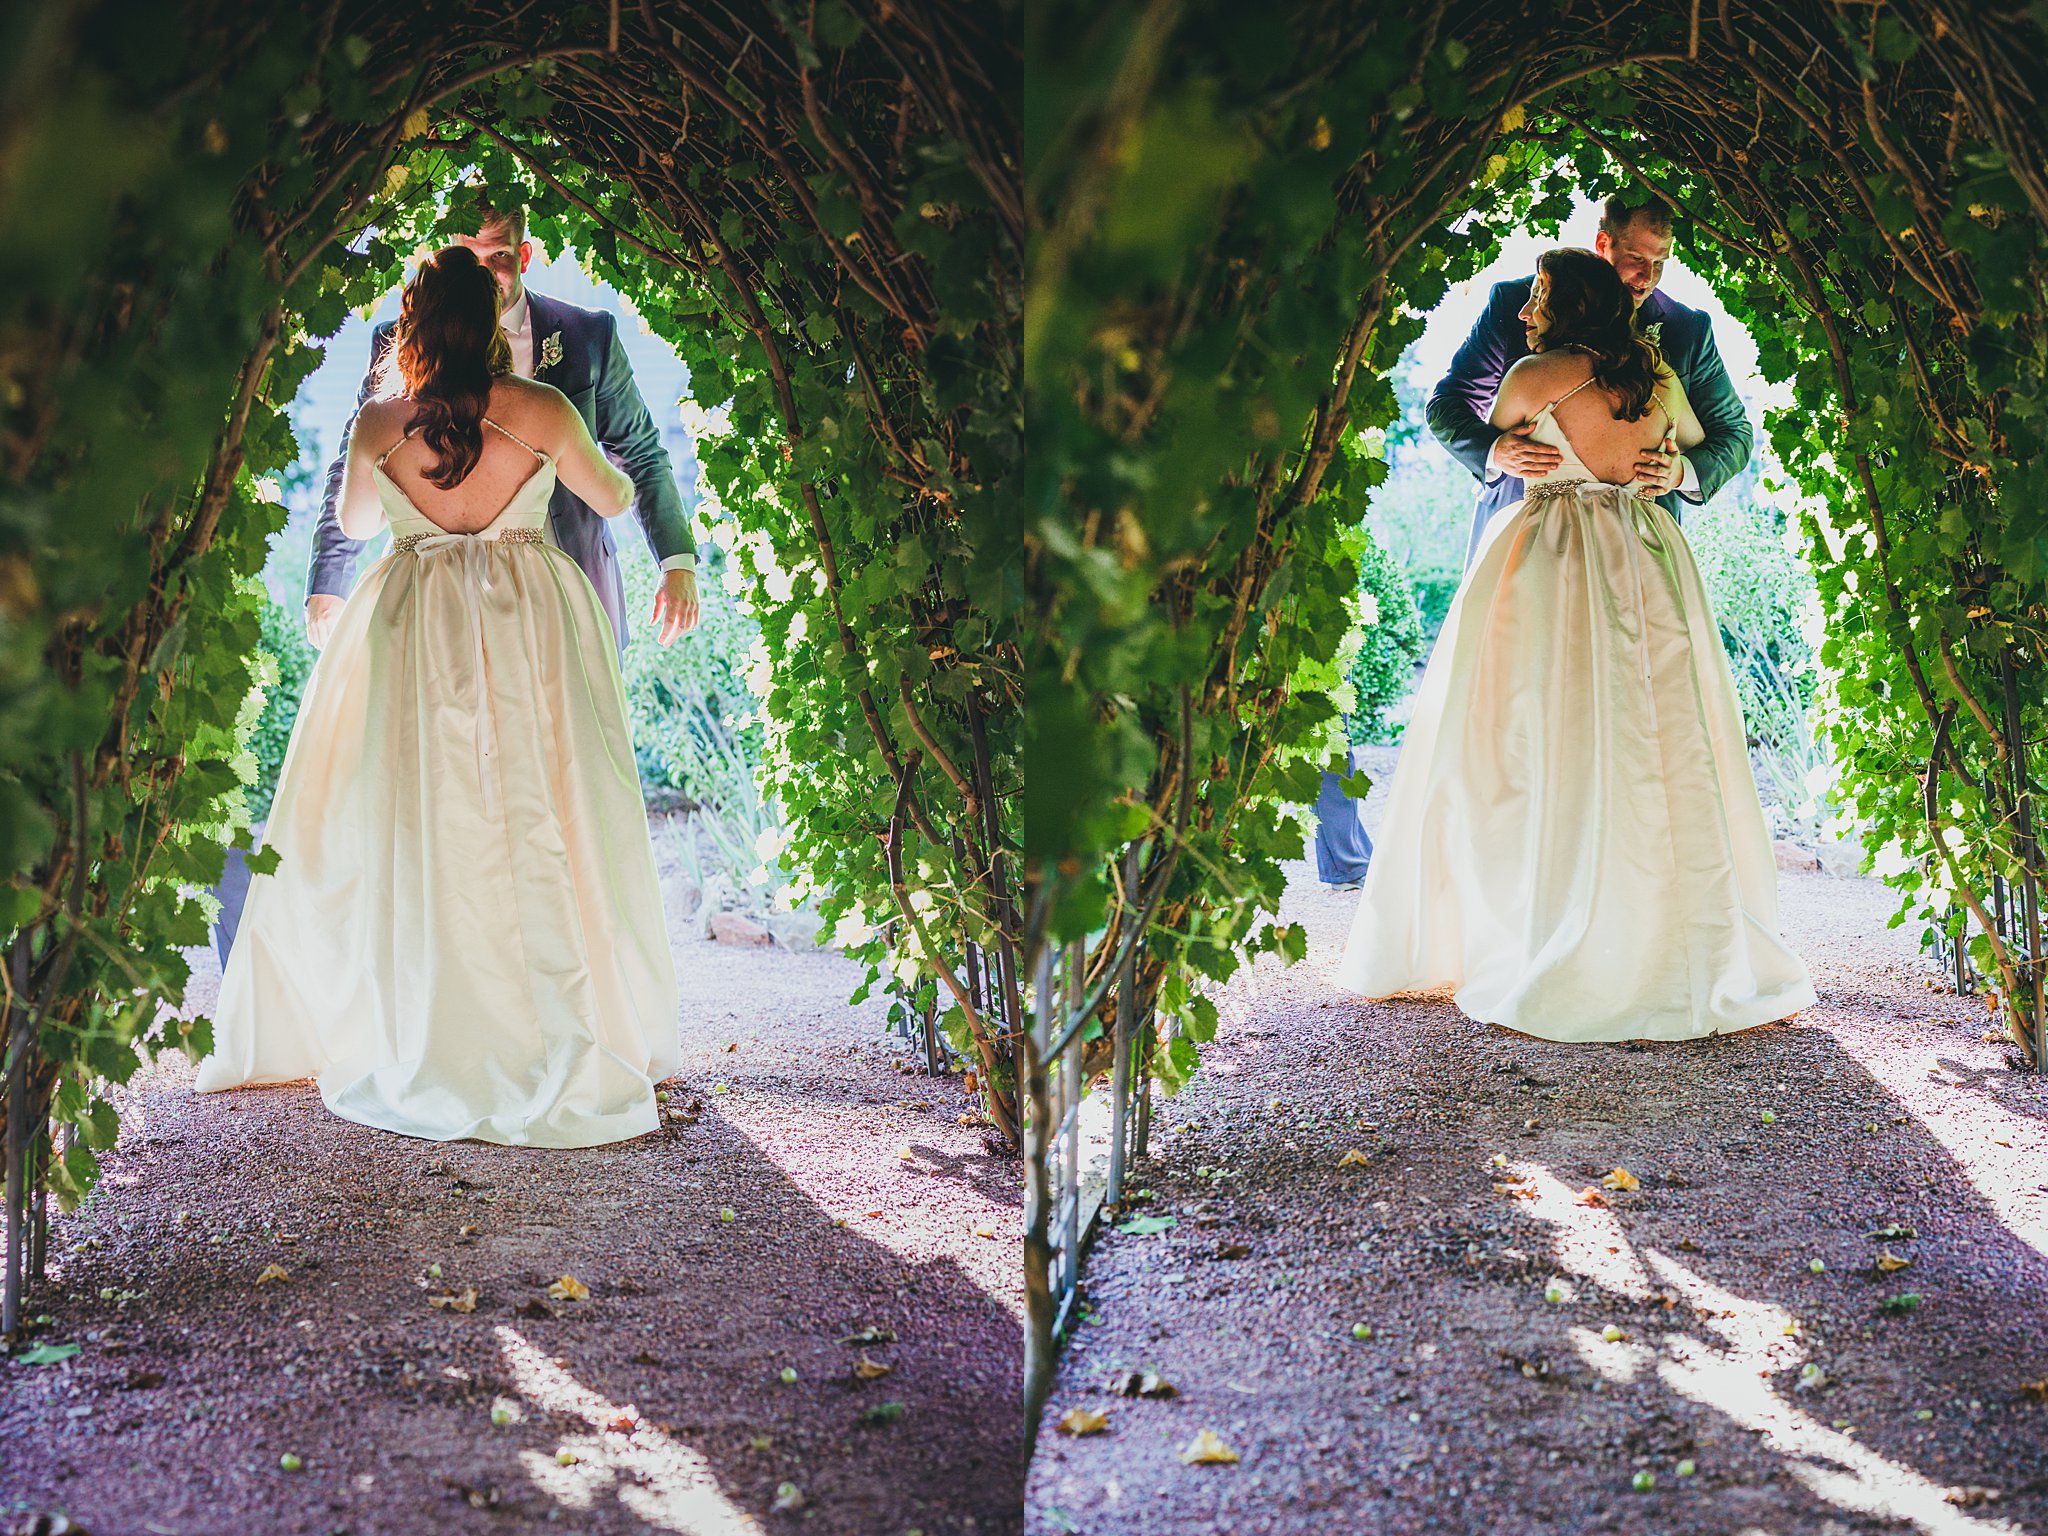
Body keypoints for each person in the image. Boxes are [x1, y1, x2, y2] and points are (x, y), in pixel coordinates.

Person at [195, 246, 682, 1146]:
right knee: (539, 808)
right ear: (492, 324)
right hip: (526, 624)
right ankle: (549, 1012)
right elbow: (611, 497)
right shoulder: (543, 409)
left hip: (416, 624)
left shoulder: (384, 423)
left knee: (422, 817)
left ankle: (428, 1017)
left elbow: (355, 523)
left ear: (414, 326)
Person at [1334, 248, 1813, 1042]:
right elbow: (1697, 438)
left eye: (1541, 299)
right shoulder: (1659, 381)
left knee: (1529, 743)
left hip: (1552, 561)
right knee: (1655, 742)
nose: (1527, 313)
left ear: (1572, 306)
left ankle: (1540, 924)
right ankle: (1665, 937)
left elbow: (1500, 429)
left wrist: (1535, 449)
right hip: (1647, 560)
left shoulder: (1531, 377)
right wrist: (1671, 469)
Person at [1428, 196, 1752, 569]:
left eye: (1659, 263)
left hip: (1638, 552)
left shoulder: (1686, 330)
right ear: (1604, 245)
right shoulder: (1518, 302)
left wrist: (1681, 473)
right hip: (1524, 540)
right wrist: (1494, 451)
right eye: (1636, 259)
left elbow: (1734, 435)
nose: (1647, 277)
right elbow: (1448, 403)